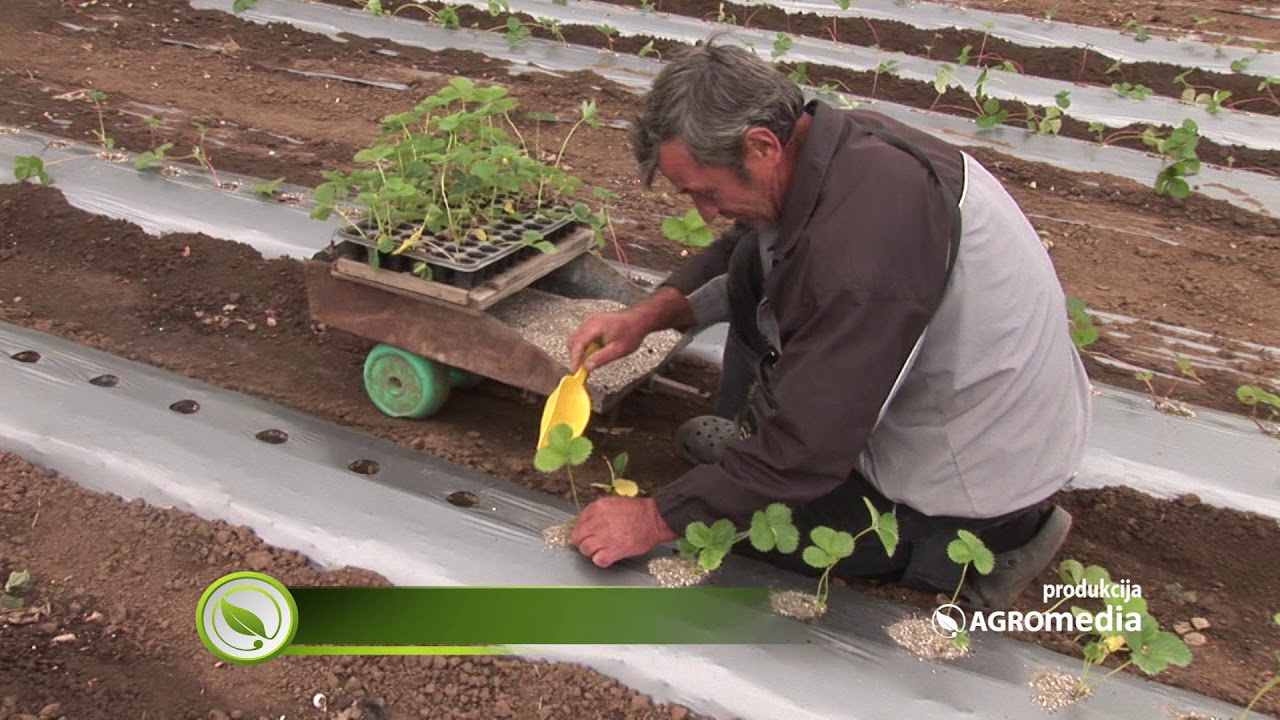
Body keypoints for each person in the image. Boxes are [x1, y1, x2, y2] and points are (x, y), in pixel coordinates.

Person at [564, 37, 1091, 610]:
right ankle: (750, 457)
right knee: (753, 264)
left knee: (731, 534)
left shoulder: (861, 253)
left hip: (971, 472)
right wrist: (648, 315)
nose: (706, 214)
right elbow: (748, 245)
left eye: (706, 193)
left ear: (761, 145)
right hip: (966, 406)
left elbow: (809, 447)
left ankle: (977, 546)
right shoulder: (833, 149)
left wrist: (656, 516)